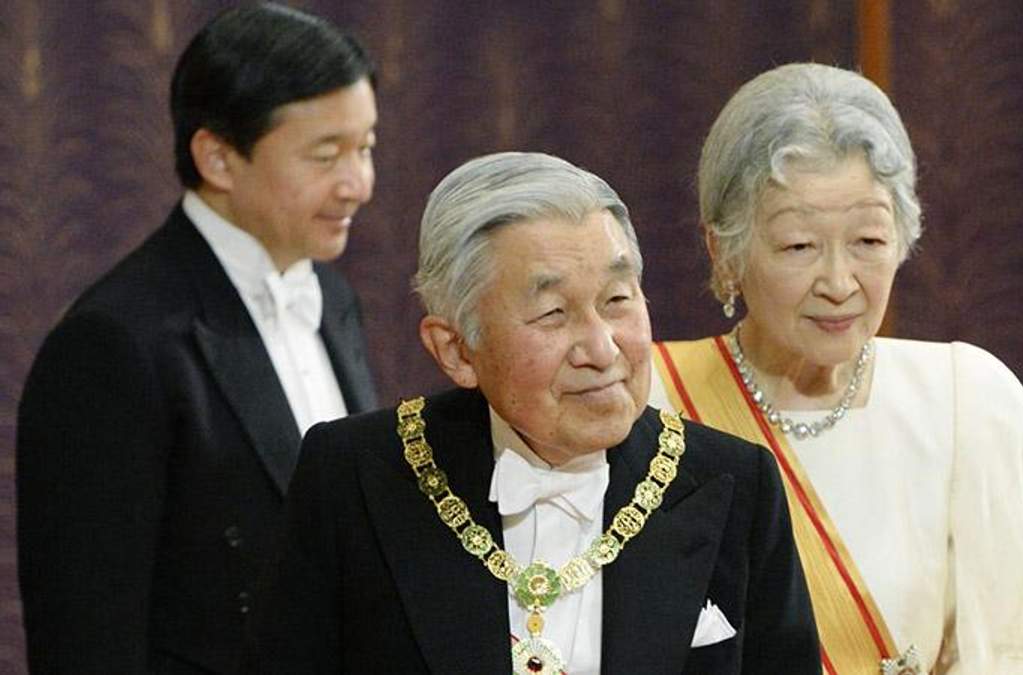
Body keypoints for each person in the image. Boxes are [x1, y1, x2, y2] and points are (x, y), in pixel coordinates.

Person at [242, 152, 821, 674]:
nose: (602, 350)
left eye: (618, 300)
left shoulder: (732, 483)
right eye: (552, 314)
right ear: (456, 350)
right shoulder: (355, 476)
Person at [648, 63, 1023, 673]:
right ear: (722, 250)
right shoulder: (650, 402)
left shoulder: (968, 404)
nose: (839, 283)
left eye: (868, 242)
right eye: (799, 246)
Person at [17, 4, 378, 673]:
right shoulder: (113, 343)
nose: (359, 184)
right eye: (326, 155)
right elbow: (86, 639)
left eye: (366, 148)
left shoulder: (333, 300)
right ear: (217, 157)